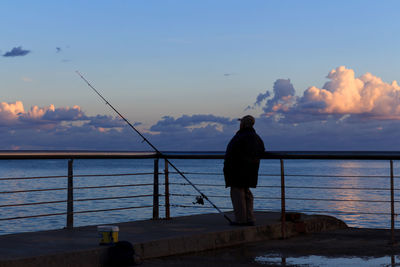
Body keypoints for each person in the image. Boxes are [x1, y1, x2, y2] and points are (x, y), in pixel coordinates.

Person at [223, 115, 265, 226]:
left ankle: (241, 219)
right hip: (250, 170)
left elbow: (233, 154)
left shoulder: (240, 137)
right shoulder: (256, 137)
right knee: (246, 193)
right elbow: (261, 151)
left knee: (238, 194)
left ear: (243, 124)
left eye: (241, 122)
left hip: (237, 170)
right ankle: (250, 218)